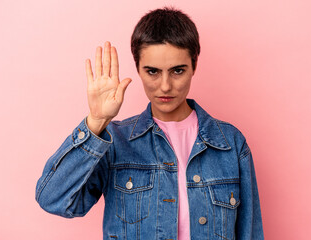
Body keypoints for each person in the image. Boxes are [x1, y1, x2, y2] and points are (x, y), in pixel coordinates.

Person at [35, 7, 264, 240]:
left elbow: (251, 233)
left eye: (177, 71)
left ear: (194, 66)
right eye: (152, 71)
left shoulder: (230, 144)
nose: (165, 86)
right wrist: (96, 122)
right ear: (138, 70)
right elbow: (53, 200)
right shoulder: (116, 142)